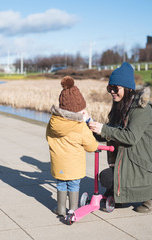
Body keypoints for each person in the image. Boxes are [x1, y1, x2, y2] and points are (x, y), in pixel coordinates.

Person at [88, 62, 152, 213]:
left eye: (116, 88)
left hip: (146, 164)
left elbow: (130, 137)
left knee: (108, 178)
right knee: (105, 177)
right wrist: (91, 127)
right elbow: (111, 132)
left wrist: (103, 129)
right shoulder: (121, 107)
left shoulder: (141, 109)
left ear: (127, 89)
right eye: (110, 88)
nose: (112, 92)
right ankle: (127, 194)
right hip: (131, 160)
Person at [46, 76, 98, 217]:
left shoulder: (53, 122)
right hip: (74, 166)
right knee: (74, 185)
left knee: (61, 184)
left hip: (59, 164)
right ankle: (73, 210)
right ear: (77, 110)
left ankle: (60, 209)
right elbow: (91, 146)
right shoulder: (80, 126)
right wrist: (87, 121)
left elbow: (48, 137)